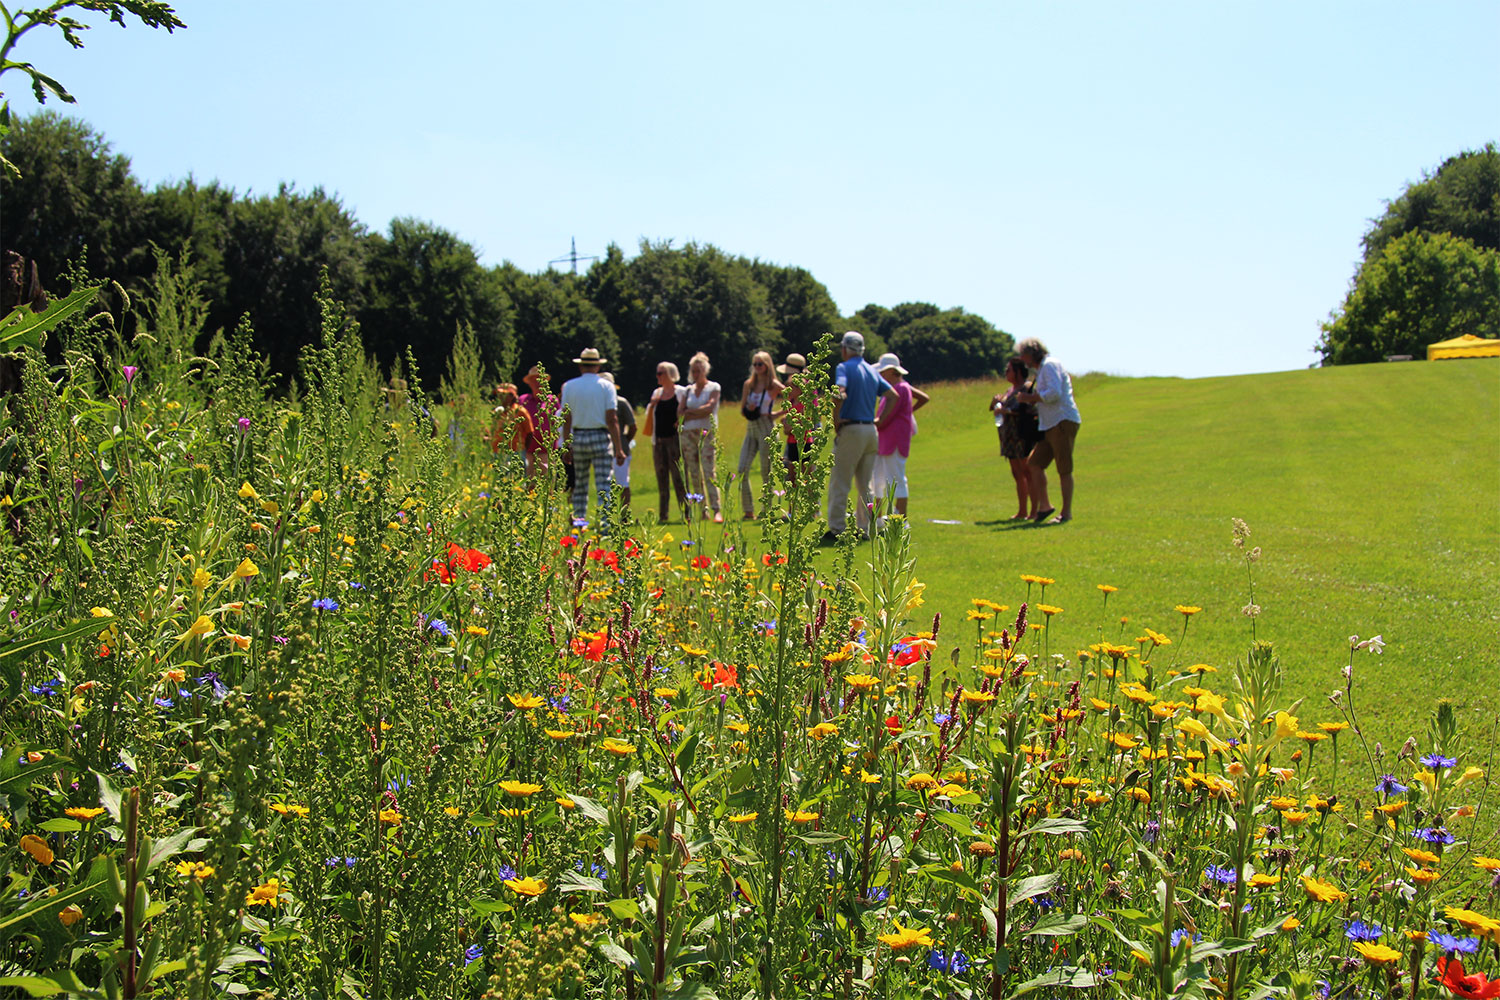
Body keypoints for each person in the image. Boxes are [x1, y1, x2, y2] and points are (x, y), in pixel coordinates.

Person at [824, 331, 887, 543]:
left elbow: (839, 392)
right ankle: (866, 527)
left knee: (840, 481)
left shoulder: (844, 368)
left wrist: (836, 419)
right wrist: (879, 419)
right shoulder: (872, 370)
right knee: (865, 483)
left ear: (844, 349)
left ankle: (837, 528)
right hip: (870, 430)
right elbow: (892, 395)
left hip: (851, 429)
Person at [1016, 338, 1081, 524]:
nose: (1022, 359)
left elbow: (1054, 394)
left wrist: (1030, 398)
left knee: (1064, 468)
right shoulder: (1043, 368)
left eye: (1023, 354)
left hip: (1062, 420)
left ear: (1032, 353)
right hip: (1050, 424)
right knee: (1034, 463)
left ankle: (1066, 514)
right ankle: (1045, 506)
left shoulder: (1050, 365)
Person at [559, 348, 626, 529]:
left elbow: (566, 418)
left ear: (581, 367)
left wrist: (566, 445)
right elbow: (612, 418)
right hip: (600, 436)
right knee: (604, 484)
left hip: (579, 436)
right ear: (597, 366)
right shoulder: (606, 386)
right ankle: (604, 527)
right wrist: (619, 448)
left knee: (580, 485)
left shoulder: (569, 386)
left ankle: (578, 525)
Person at [872, 353, 929, 518]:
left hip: (894, 440)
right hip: (886, 439)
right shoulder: (896, 389)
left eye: (883, 371)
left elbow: (886, 417)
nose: (880, 375)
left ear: (891, 371)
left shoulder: (901, 388)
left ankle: (901, 517)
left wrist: (874, 422)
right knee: (879, 478)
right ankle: (878, 517)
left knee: (896, 479)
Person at [735, 350, 784, 520]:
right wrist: (748, 409)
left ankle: (766, 510)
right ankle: (748, 510)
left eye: (760, 364)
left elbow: (793, 399)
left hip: (766, 426)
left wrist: (777, 414)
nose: (757, 367)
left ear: (767, 365)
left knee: (766, 470)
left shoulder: (774, 385)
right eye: (754, 364)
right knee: (742, 468)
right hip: (751, 426)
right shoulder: (748, 385)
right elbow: (742, 409)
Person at [993, 357, 1042, 520]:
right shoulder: (1009, 391)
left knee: (1028, 472)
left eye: (1009, 370)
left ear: (1018, 371)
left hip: (1022, 434)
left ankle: (1034, 511)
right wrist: (996, 403)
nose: (1006, 372)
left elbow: (1030, 409)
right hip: (1009, 437)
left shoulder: (1027, 388)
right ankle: (1022, 511)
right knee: (1017, 473)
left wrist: (1007, 411)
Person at [679, 351, 723, 523]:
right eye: (694, 371)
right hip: (688, 433)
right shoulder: (688, 390)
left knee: (709, 470)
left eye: (699, 370)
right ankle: (702, 509)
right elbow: (680, 413)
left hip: (706, 433)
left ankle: (716, 509)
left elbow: (709, 408)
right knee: (694, 473)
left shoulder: (713, 387)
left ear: (705, 370)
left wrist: (690, 412)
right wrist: (693, 413)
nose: (696, 374)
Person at [645, 360, 690, 523]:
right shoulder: (656, 393)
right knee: (661, 477)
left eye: (661, 373)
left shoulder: (681, 392)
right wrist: (652, 405)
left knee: (679, 478)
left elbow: (687, 410)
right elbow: (649, 416)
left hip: (675, 440)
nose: (658, 376)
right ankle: (663, 515)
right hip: (658, 441)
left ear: (670, 374)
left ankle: (686, 513)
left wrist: (681, 421)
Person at [775, 352, 813, 483]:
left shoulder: (806, 400)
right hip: (792, 441)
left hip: (805, 440)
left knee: (806, 474)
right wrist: (784, 421)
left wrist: (790, 426)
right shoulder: (791, 402)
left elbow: (807, 421)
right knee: (792, 474)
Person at [602, 372, 636, 511]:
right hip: (603, 447)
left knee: (622, 483)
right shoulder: (598, 403)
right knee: (604, 484)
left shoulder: (621, 403)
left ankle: (624, 515)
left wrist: (624, 441)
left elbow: (633, 426)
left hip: (619, 448)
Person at [518, 364, 556, 481]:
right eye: (533, 380)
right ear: (529, 382)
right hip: (527, 449)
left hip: (546, 450)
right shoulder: (523, 400)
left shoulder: (552, 400)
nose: (537, 382)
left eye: (540, 379)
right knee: (527, 482)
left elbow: (558, 422)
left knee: (546, 483)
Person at [488, 383, 535, 468]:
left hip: (516, 453)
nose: (500, 397)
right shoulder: (496, 412)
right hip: (497, 452)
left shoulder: (521, 411)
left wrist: (523, 451)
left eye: (503, 394)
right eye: (499, 394)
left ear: (512, 396)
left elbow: (530, 433)